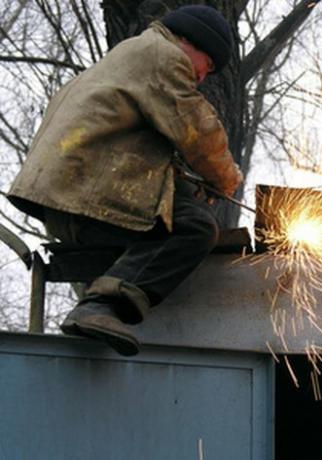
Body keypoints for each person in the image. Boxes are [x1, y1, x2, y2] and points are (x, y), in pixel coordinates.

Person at [7, 5, 242, 356]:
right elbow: (198, 131)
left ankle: (104, 302)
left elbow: (136, 141)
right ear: (189, 42)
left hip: (66, 195)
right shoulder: (163, 56)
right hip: (86, 194)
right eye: (206, 66)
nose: (201, 78)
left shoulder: (129, 55)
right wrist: (226, 178)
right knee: (194, 227)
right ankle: (101, 307)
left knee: (177, 212)